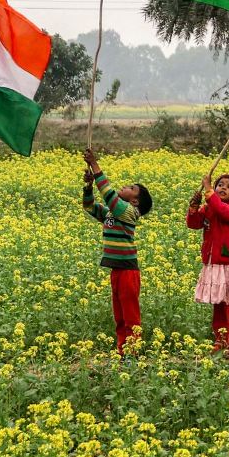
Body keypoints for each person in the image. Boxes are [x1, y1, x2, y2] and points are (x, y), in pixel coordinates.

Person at [82, 147, 152, 356]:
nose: (125, 186)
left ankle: (133, 351)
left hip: (129, 272)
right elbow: (90, 207)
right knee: (119, 314)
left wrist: (95, 165)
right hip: (117, 270)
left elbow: (109, 195)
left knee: (130, 314)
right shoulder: (113, 214)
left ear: (134, 201)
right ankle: (123, 350)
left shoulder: (129, 212)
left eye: (131, 187)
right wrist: (88, 187)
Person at [188, 173, 229, 358]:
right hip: (213, 263)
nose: (223, 188)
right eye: (220, 185)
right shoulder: (209, 208)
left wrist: (209, 190)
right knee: (218, 303)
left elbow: (222, 211)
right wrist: (193, 206)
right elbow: (193, 224)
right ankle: (221, 339)